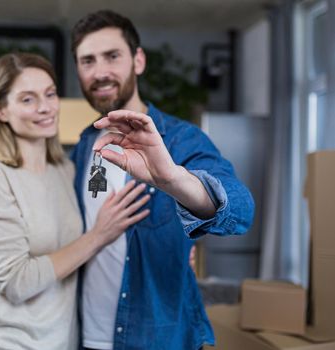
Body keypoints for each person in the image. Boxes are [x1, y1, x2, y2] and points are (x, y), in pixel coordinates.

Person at [70, 10, 255, 350]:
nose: (100, 72)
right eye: (87, 61)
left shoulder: (179, 140)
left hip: (158, 339)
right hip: (86, 338)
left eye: (112, 56)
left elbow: (241, 211)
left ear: (138, 60)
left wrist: (171, 179)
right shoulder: (82, 147)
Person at [0, 52, 151, 350]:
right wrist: (98, 236)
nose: (45, 108)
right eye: (27, 99)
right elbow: (16, 284)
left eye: (50, 94)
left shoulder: (66, 171)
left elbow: (68, 257)